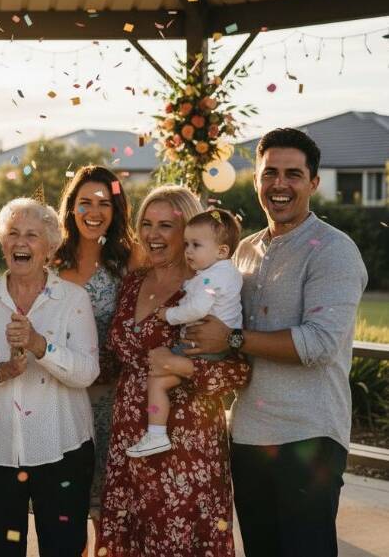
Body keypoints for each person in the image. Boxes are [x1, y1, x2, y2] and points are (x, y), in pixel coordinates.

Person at [184, 128, 368, 556]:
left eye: (293, 174)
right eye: (270, 173)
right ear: (256, 181)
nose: (280, 184)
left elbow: (319, 343)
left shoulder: (334, 252)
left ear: (313, 182)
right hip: (248, 437)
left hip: (309, 437)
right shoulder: (243, 251)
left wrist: (230, 337)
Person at [97, 185, 250, 557]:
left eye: (166, 225)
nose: (153, 234)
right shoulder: (133, 282)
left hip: (186, 445)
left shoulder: (206, 289)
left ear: (190, 232)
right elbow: (116, 356)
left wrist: (182, 365)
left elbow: (238, 372)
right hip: (129, 443)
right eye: (146, 224)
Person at [0, 197, 99, 556]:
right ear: (2, 243)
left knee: (62, 549)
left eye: (32, 235)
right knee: (2, 551)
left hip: (63, 450)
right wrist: (2, 371)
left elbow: (87, 372)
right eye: (13, 233)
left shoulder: (73, 300)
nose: (21, 242)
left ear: (49, 246)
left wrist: (39, 346)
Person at [53, 165, 136, 530]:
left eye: (104, 203)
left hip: (112, 403)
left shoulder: (129, 261)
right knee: (64, 514)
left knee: (108, 514)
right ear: (72, 208)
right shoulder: (52, 260)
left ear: (116, 210)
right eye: (85, 202)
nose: (94, 211)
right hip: (58, 400)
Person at [126, 207, 243, 458]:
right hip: (208, 351)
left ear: (222, 251)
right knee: (161, 377)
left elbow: (197, 308)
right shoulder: (225, 273)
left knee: (157, 376)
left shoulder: (210, 279)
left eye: (196, 245)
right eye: (187, 243)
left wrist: (167, 314)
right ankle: (156, 434)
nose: (188, 250)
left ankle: (156, 435)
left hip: (200, 350)